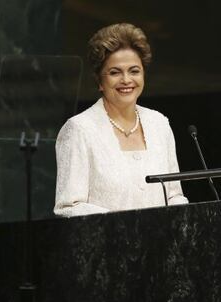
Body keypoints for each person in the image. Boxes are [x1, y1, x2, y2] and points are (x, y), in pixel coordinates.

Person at [54, 23, 188, 217]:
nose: (126, 80)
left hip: (160, 244)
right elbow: (69, 206)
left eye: (134, 71)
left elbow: (174, 195)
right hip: (108, 245)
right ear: (100, 81)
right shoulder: (79, 129)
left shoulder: (159, 124)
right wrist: (122, 227)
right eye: (115, 72)